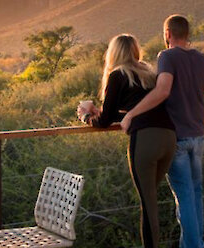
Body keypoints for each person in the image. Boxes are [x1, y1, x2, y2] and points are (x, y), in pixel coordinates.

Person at [124, 14, 204, 248]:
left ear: (167, 34)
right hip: (199, 136)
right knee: (195, 193)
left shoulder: (166, 56)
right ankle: (195, 244)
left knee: (184, 195)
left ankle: (195, 246)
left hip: (176, 137)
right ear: (187, 34)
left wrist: (132, 113)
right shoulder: (202, 59)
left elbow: (163, 90)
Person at [79, 34, 176, 248]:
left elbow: (104, 122)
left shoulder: (117, 75)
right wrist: (102, 112)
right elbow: (132, 111)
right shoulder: (148, 73)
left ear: (112, 53)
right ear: (135, 50)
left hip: (146, 140)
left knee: (148, 204)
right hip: (169, 138)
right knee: (151, 199)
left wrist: (86, 116)